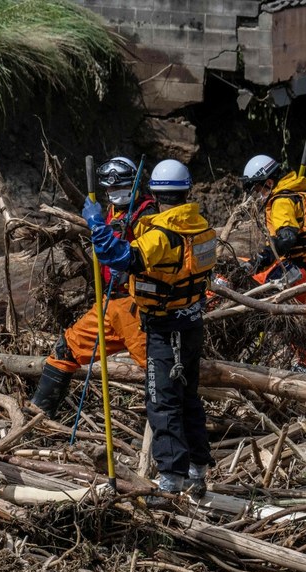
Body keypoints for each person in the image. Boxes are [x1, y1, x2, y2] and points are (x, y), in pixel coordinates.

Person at [87, 159, 217, 497]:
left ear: (156, 195)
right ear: (187, 190)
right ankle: (197, 468)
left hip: (165, 327)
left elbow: (120, 258)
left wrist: (98, 227)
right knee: (188, 398)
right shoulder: (200, 226)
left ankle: (171, 478)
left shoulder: (161, 235)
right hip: (191, 323)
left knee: (162, 402)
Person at [30, 156, 157, 416]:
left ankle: (179, 436)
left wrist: (101, 227)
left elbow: (134, 258)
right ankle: (38, 418)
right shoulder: (110, 211)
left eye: (119, 186)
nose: (113, 192)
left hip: (137, 306)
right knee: (65, 349)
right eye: (109, 188)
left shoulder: (148, 215)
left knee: (160, 372)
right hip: (110, 305)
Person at [239, 154, 306, 373]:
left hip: (298, 276)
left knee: (240, 278)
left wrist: (259, 260)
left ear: (269, 183)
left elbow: (287, 238)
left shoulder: (282, 200)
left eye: (257, 189)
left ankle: (239, 333)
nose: (256, 195)